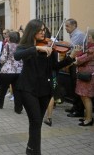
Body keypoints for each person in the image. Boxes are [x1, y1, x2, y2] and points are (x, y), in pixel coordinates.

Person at [14, 19, 76, 155]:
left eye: (44, 30)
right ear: (32, 31)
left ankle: (31, 149)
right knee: (35, 120)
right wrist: (36, 48)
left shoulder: (50, 46)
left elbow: (54, 67)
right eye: (40, 30)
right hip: (28, 88)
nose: (43, 32)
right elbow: (17, 56)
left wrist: (70, 58)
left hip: (45, 89)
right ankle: (35, 152)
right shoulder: (25, 46)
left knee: (37, 123)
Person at [0, 31, 23, 114]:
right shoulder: (21, 46)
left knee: (3, 89)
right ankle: (18, 108)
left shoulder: (7, 45)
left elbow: (3, 59)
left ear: (10, 38)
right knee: (17, 91)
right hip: (18, 71)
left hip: (7, 71)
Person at [71, 29, 94, 126]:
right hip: (84, 76)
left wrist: (76, 57)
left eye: (88, 36)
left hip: (87, 77)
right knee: (83, 97)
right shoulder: (89, 48)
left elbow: (80, 60)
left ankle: (89, 119)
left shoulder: (92, 49)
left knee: (86, 97)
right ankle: (87, 116)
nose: (87, 38)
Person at [64, 18, 86, 118]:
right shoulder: (73, 34)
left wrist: (58, 44)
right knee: (73, 86)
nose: (65, 28)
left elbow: (71, 46)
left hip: (77, 62)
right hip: (73, 61)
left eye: (67, 26)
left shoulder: (79, 34)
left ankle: (79, 110)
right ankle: (75, 107)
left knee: (76, 86)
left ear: (74, 26)